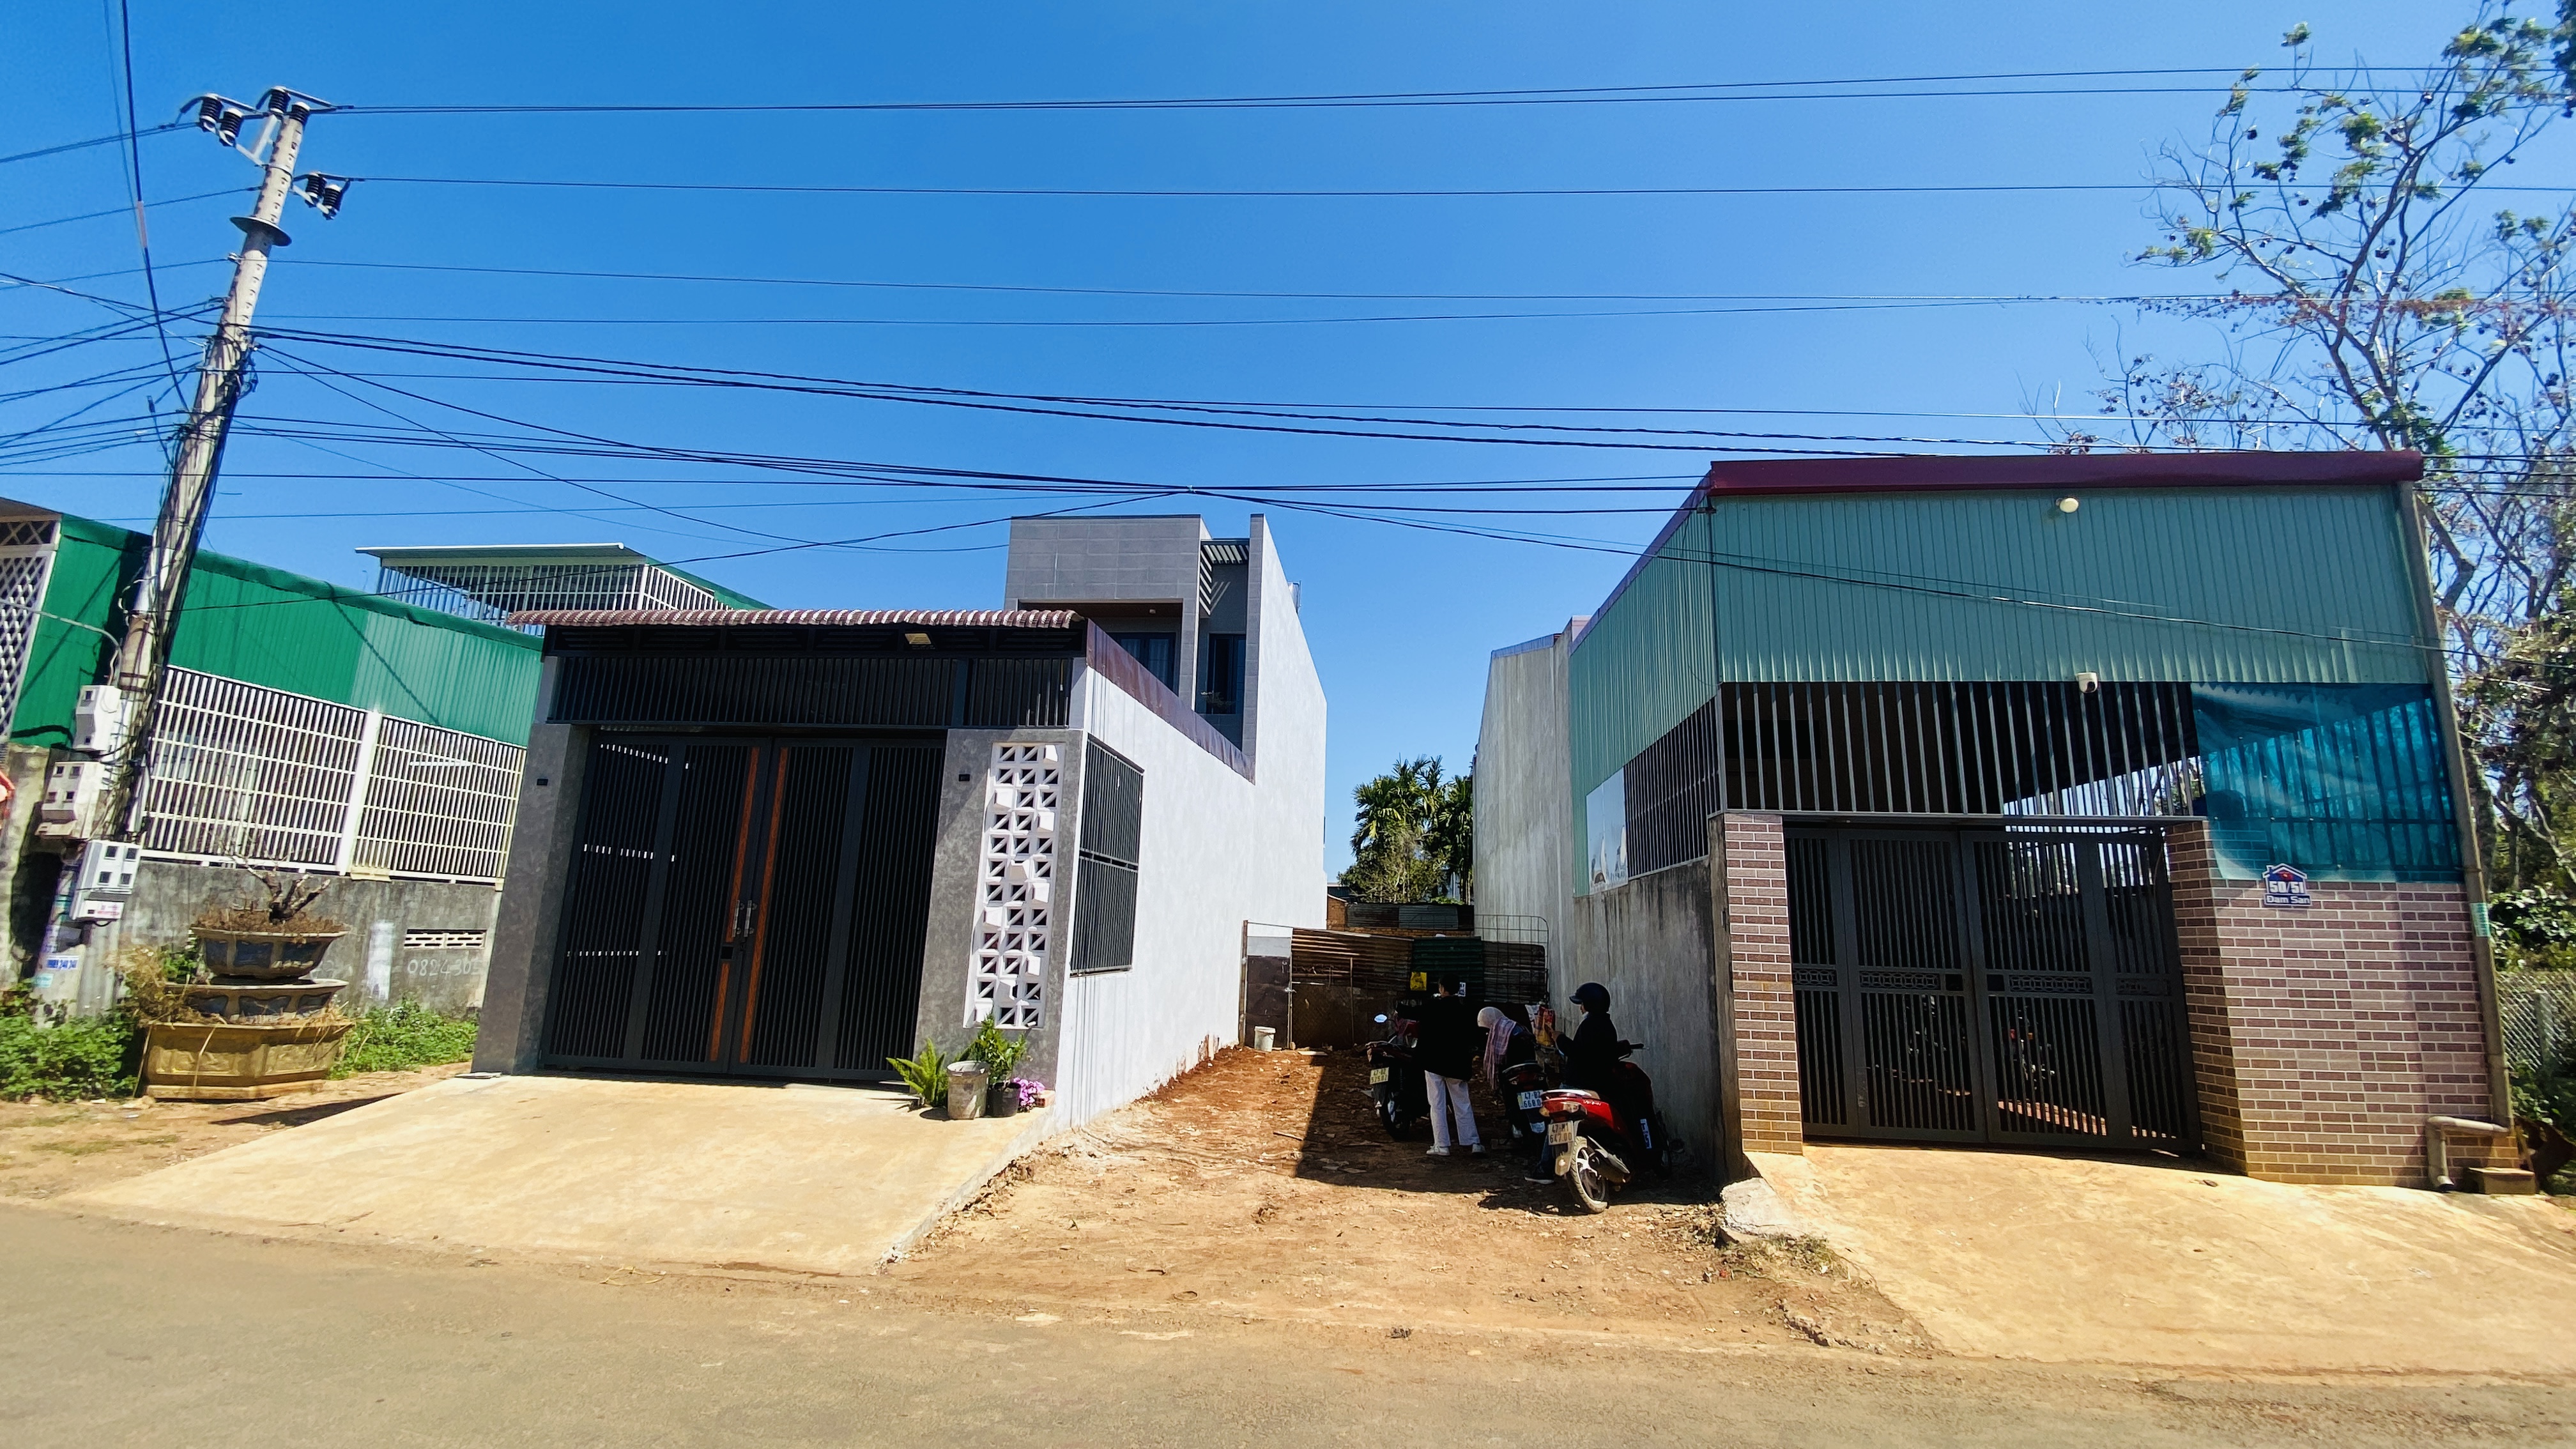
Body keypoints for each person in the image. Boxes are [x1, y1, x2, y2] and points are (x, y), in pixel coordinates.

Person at [1416, 977, 1483, 1157]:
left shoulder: (1432, 1007)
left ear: (1441, 988)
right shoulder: (1465, 1010)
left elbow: (1418, 1019)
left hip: (1434, 1063)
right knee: (1462, 1103)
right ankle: (1473, 1142)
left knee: (1436, 1104)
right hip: (1458, 1065)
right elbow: (1473, 1037)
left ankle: (1442, 1145)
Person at [1562, 981, 1623, 1096]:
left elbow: (1579, 1053)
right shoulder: (1606, 1024)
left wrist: (1559, 1038)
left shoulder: (1590, 1025)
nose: (1581, 1008)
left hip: (1583, 1085)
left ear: (1590, 1004)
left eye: (1582, 1004)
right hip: (1598, 1084)